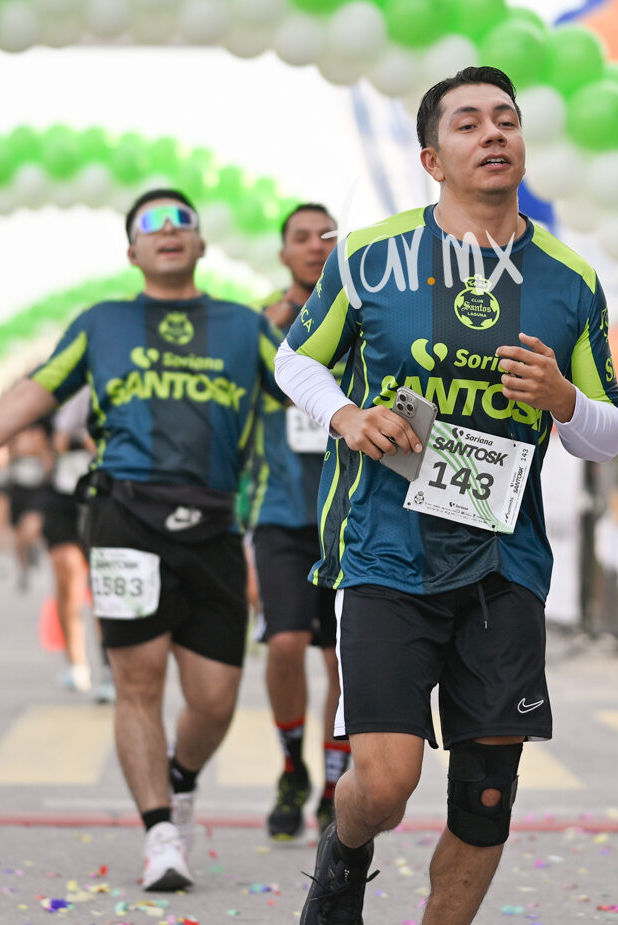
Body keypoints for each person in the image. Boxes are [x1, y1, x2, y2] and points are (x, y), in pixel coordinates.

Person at [275, 67, 618, 925]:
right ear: (433, 159)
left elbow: (608, 431)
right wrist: (348, 414)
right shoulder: (371, 255)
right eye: (468, 123)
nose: (493, 132)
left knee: (486, 794)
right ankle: (344, 851)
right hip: (386, 551)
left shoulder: (569, 278)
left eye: (506, 118)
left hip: (505, 563)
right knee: (385, 782)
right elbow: (295, 358)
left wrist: (562, 399)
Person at [0, 189, 282, 894]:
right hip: (125, 518)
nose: (168, 230)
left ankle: (182, 778)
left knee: (215, 698)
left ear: (200, 245)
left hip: (215, 525)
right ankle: (160, 832)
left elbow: (313, 389)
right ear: (132, 251)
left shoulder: (243, 325)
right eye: (151, 224)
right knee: (138, 682)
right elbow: (27, 397)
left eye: (182, 221)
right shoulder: (103, 323)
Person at [253, 203, 346, 838]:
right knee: (285, 645)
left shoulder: (365, 316)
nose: (316, 246)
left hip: (351, 516)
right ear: (283, 253)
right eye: (302, 238)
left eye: (328, 236)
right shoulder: (260, 326)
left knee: (343, 661)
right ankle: (292, 768)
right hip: (282, 516)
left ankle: (336, 783)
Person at [49, 390, 112, 700]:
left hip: (105, 496)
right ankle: (76, 664)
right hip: (65, 494)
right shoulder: (73, 388)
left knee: (102, 587)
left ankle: (109, 668)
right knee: (68, 576)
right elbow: (58, 441)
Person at [6, 421, 52, 593]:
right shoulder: (15, 432)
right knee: (18, 536)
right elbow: (7, 455)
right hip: (17, 489)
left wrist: (37, 450)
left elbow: (48, 462)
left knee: (31, 528)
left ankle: (34, 553)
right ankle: (23, 569)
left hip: (37, 490)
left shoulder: (41, 433)